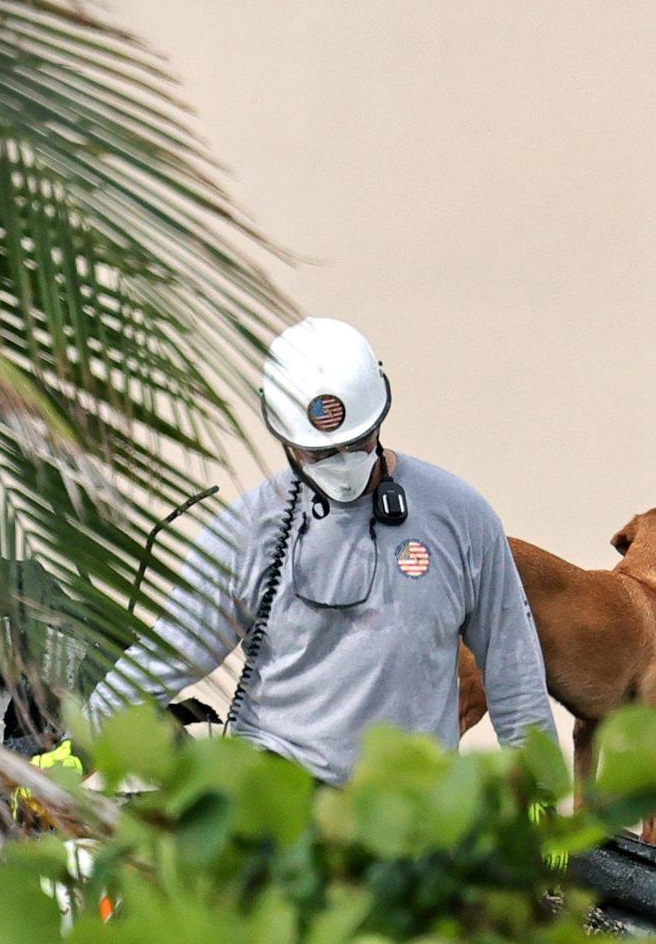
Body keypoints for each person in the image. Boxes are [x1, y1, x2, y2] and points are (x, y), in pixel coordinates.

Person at [86, 317, 557, 781]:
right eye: (319, 452)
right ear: (286, 440)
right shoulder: (248, 531)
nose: (343, 462)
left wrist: (540, 786)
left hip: (411, 816)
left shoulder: (460, 516)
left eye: (357, 442)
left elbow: (512, 658)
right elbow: (168, 652)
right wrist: (78, 748)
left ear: (380, 416)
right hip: (280, 807)